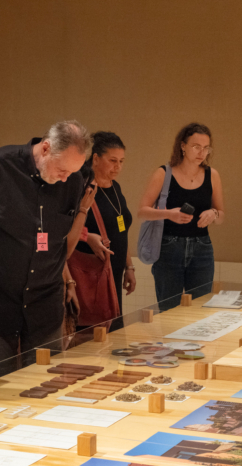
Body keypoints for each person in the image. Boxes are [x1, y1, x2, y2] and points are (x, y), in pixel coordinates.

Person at [0, 120, 95, 383]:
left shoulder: (73, 181)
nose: (65, 178)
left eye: (72, 173)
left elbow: (60, 241)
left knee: (45, 385)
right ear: (46, 148)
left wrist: (68, 281)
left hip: (45, 306)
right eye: (62, 169)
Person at [138, 122, 225, 311]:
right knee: (169, 311)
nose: (201, 153)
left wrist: (214, 213)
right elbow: (142, 211)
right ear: (183, 146)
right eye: (196, 147)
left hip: (202, 248)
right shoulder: (163, 173)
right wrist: (169, 214)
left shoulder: (212, 175)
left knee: (201, 310)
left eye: (206, 148)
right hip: (169, 247)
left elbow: (221, 216)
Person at [73, 131, 136, 332]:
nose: (118, 167)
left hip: (114, 274)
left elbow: (121, 230)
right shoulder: (80, 187)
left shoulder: (115, 188)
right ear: (96, 158)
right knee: (94, 337)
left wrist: (129, 267)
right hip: (90, 275)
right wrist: (87, 237)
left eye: (121, 161)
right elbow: (60, 227)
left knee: (115, 335)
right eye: (112, 161)